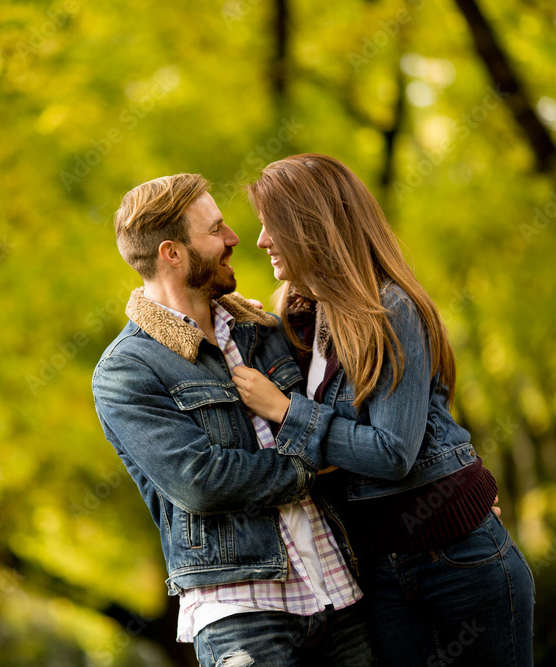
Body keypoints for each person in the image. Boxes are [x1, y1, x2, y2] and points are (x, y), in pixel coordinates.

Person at [231, 153, 535, 666]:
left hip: (457, 562)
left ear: (313, 226)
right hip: (379, 570)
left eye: (271, 225)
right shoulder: (301, 318)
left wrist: (286, 411)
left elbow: (393, 452)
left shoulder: (390, 309)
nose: (261, 240)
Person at [91, 173, 375, 666]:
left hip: (338, 586)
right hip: (240, 612)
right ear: (172, 253)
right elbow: (201, 482)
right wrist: (315, 464)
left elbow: (350, 413)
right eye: (215, 229)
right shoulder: (126, 371)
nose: (234, 239)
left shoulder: (261, 331)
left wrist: (451, 488)